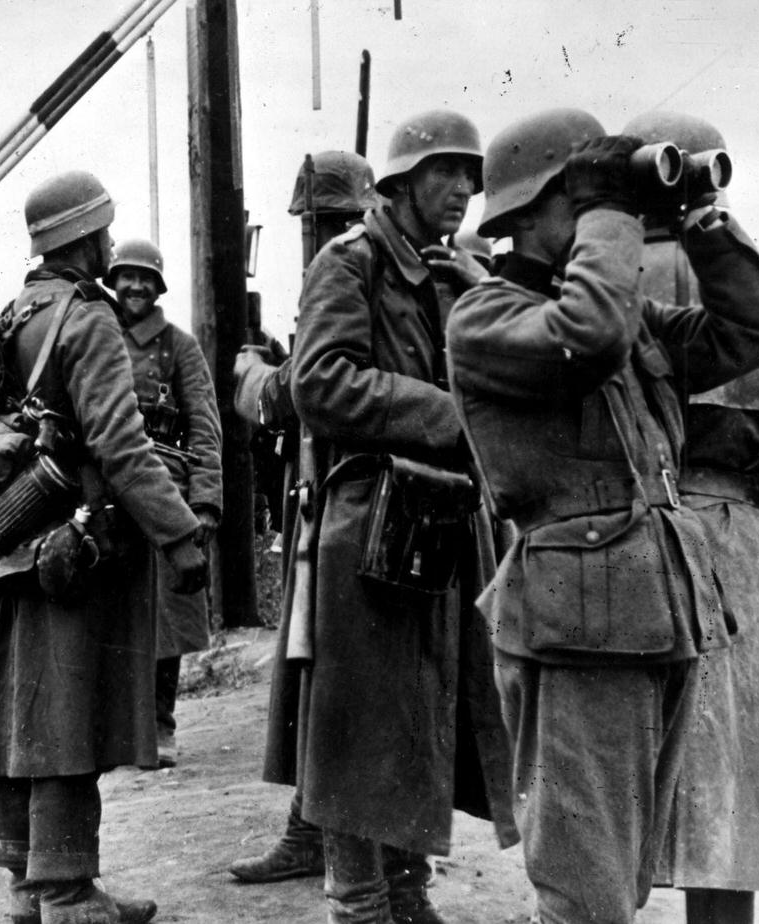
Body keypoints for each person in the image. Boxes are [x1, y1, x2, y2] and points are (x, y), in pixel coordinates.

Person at [444, 109, 759, 924]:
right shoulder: (486, 319)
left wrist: (696, 218)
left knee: (623, 878)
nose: (610, 217)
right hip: (576, 631)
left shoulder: (623, 316)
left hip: (657, 615)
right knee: (587, 892)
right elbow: (588, 335)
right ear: (529, 215)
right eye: (585, 198)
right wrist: (611, 212)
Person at [289, 111, 519, 924]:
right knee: (360, 724)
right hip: (369, 515)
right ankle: (358, 902)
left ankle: (407, 889)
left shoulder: (455, 273)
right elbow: (317, 383)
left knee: (423, 712)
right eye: (445, 173)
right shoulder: (348, 264)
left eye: (470, 176)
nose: (462, 190)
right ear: (401, 181)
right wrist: (447, 414)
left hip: (440, 521)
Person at [624, 109, 759, 924]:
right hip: (739, 539)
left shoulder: (607, 291)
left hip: (626, 529)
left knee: (612, 768)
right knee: (734, 785)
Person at [0, 171, 207, 924]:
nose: (111, 242)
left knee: (20, 704)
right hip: (76, 538)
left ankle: (24, 882)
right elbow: (121, 443)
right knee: (67, 709)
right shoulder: (88, 320)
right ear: (85, 237)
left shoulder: (16, 313)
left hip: (12, 532)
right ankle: (67, 891)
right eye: (104, 231)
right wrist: (180, 535)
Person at [230, 149, 378, 885]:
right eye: (319, 223)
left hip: (354, 514)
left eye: (338, 220)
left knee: (334, 682)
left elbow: (314, 387)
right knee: (313, 676)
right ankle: (312, 828)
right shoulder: (346, 277)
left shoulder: (362, 276)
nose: (324, 235)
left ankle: (327, 838)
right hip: (323, 508)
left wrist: (259, 378)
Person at [106, 239, 222, 769]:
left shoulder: (178, 345)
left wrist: (205, 505)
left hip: (164, 485)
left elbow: (204, 424)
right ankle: (112, 728)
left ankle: (160, 723)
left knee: (165, 613)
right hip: (106, 484)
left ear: (159, 287)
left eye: (145, 278)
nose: (135, 287)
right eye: (127, 276)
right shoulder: (98, 332)